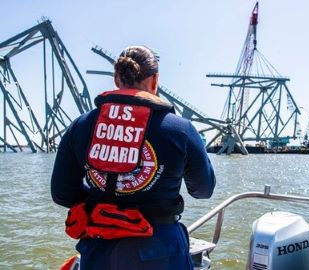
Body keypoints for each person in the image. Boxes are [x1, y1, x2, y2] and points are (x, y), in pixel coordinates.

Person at [51, 45, 216, 270]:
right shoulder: (181, 130)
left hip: (100, 249)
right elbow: (203, 190)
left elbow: (62, 194)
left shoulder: (80, 126)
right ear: (155, 80)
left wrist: (104, 203)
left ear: (117, 79)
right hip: (161, 249)